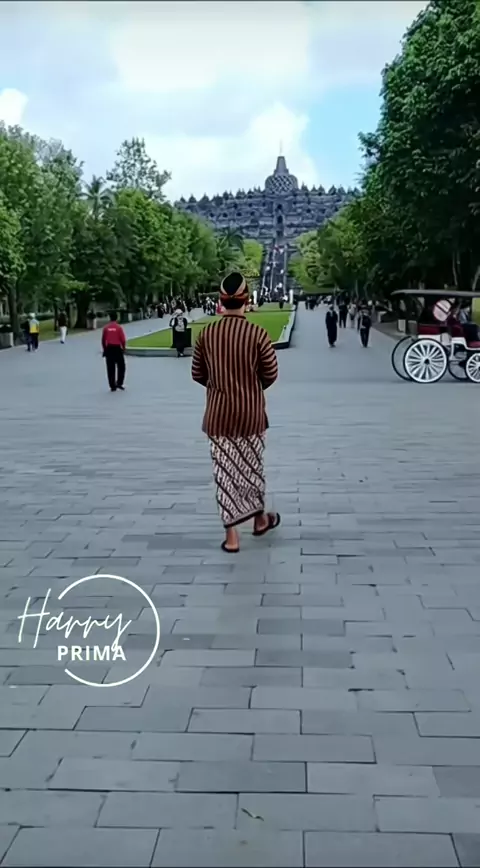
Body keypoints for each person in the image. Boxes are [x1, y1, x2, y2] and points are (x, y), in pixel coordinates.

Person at [192, 271, 280, 554]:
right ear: (246, 300)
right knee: (252, 469)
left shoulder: (207, 335)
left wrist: (220, 386)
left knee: (225, 473)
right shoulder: (258, 334)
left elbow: (197, 373)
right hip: (251, 415)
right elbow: (271, 373)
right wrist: (250, 388)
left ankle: (232, 538)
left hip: (218, 416)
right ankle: (259, 520)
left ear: (221, 301)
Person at [101, 311, 126, 392]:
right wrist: (124, 348)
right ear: (116, 318)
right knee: (121, 366)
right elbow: (123, 339)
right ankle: (119, 383)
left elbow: (103, 340)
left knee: (110, 368)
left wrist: (105, 349)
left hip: (109, 348)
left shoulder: (106, 328)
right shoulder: (119, 327)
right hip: (117, 348)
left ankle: (112, 385)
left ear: (110, 318)